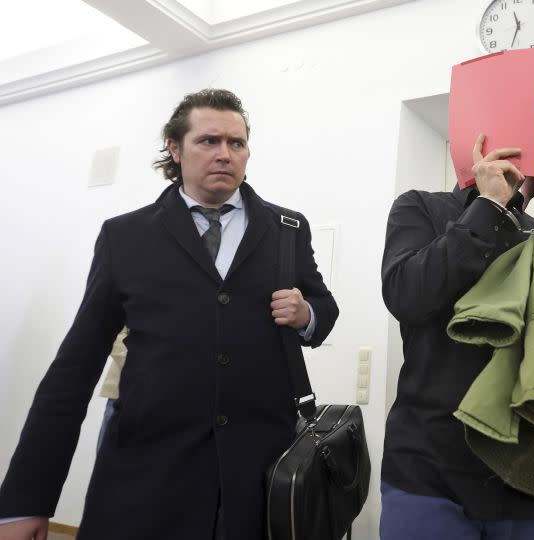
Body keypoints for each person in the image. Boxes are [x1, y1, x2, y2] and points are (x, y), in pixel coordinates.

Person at [0, 88, 339, 540]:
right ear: (175, 149)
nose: (224, 154)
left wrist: (306, 314)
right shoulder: (125, 236)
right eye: (208, 141)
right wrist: (25, 501)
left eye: (236, 144)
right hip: (147, 480)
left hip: (255, 484)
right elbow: (73, 371)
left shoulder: (286, 228)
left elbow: (324, 309)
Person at [380, 134, 534, 539]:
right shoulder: (421, 206)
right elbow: (407, 295)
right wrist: (488, 207)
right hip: (430, 471)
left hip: (532, 473)